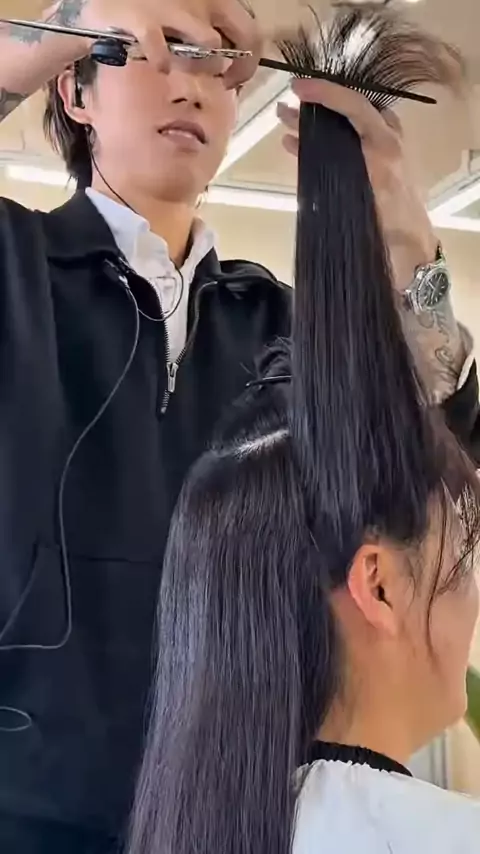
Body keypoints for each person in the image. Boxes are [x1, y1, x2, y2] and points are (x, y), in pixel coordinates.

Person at [0, 0, 477, 851]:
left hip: (239, 813)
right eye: (152, 51)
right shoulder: (15, 269)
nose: (190, 82)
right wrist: (69, 20)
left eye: (215, 61)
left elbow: (439, 461)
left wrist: (406, 234)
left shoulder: (279, 324)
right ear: (75, 91)